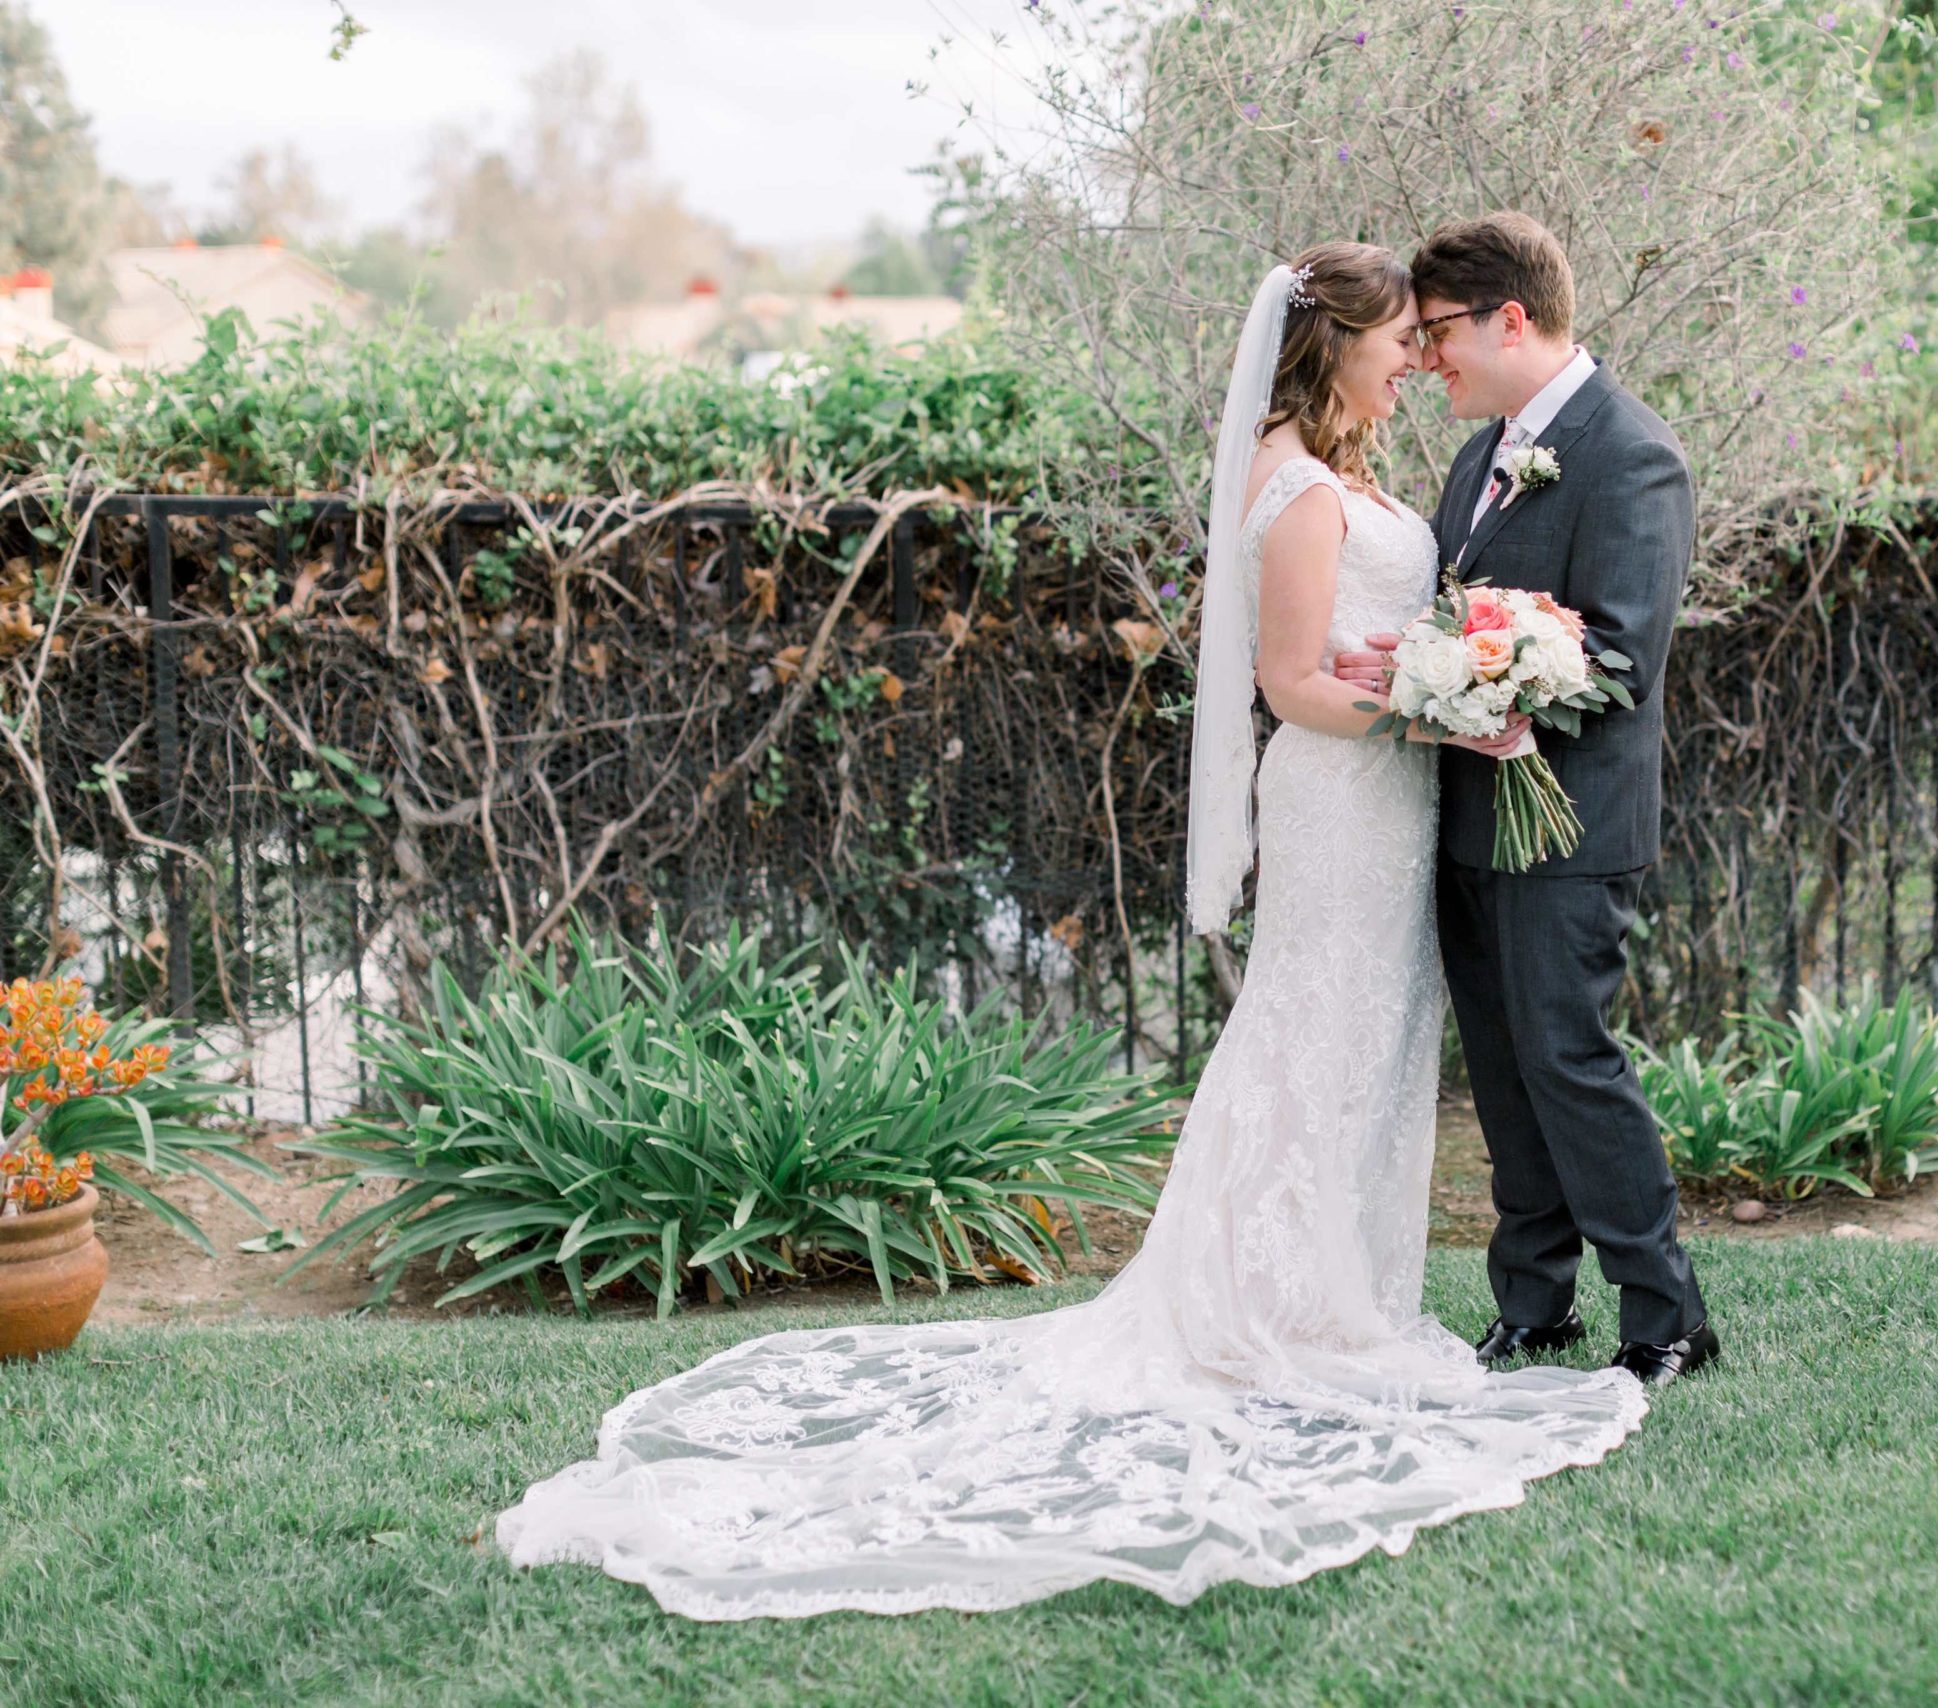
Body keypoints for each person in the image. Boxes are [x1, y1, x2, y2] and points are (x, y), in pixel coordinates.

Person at [494, 241, 1650, 1620]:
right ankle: (1276, 1310)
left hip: (1396, 804)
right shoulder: (1295, 483)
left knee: (1372, 1048)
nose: (1416, 356)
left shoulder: (1362, 467)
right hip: (1348, 801)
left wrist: (1445, 675)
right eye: (1398, 336)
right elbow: (1292, 684)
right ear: (1332, 342)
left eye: (1425, 334)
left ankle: (1341, 1295)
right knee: (1311, 1035)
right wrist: (1441, 702)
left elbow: (1383, 636)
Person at [1333, 212, 1718, 1384]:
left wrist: (1479, 687)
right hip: (1466, 816)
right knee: (1502, 1069)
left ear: (1511, 318)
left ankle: (1665, 1315)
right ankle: (1534, 1304)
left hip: (1568, 822)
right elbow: (1464, 614)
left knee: (1569, 1061)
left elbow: (1620, 654)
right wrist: (1431, 674)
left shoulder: (1629, 454)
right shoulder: (1478, 450)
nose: (1425, 354)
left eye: (1440, 330)